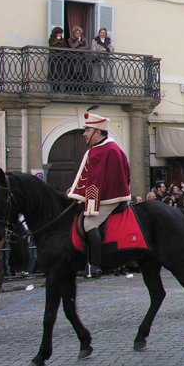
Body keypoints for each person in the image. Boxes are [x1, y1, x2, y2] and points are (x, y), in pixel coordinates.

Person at [67, 110, 131, 278]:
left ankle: (96, 265)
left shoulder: (110, 149)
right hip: (100, 197)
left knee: (89, 223)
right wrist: (74, 191)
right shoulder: (97, 149)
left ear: (97, 132)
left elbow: (112, 179)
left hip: (110, 199)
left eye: (87, 130)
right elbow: (90, 177)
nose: (84, 134)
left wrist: (93, 199)